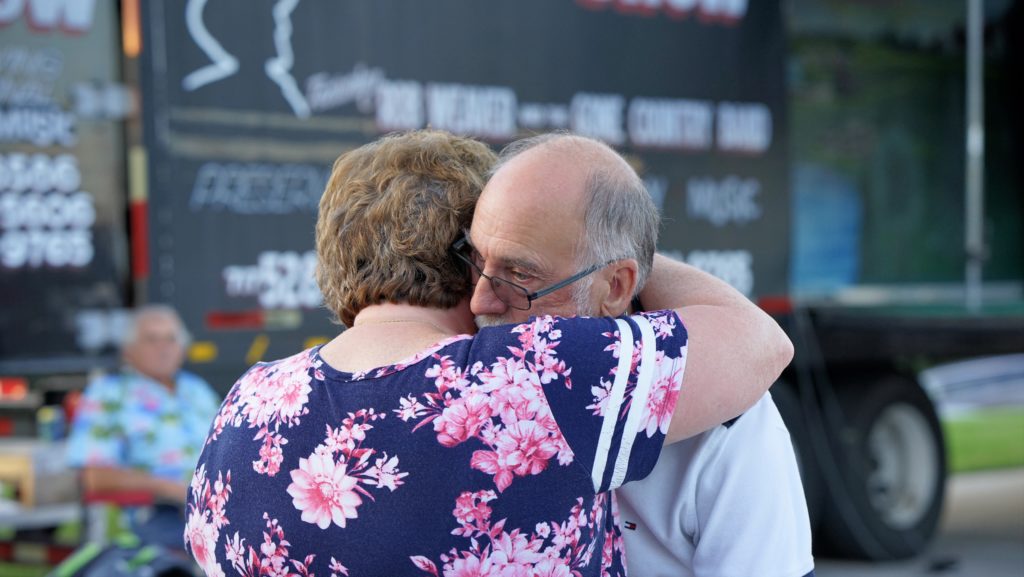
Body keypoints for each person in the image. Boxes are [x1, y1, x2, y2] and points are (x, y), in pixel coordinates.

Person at [184, 130, 791, 576]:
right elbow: (759, 341)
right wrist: (612, 260)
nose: (485, 296)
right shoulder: (530, 377)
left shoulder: (244, 406)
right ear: (456, 262)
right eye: (477, 259)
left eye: (516, 271)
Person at [465, 132, 814, 577]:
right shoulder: (456, 363)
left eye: (520, 274)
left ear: (616, 288)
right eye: (474, 259)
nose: (478, 302)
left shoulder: (727, 418)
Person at [66, 304, 221, 549]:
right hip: (157, 513)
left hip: (218, 507)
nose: (163, 349)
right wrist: (171, 489)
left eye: (171, 339)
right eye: (151, 340)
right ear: (128, 350)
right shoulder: (108, 394)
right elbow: (94, 477)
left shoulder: (197, 390)